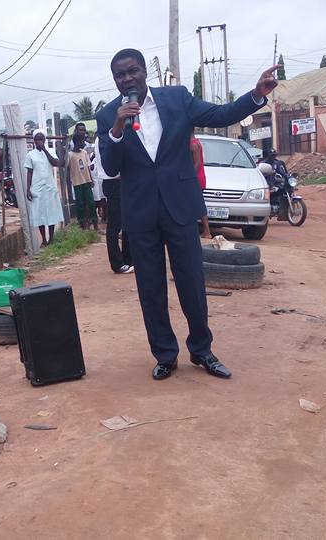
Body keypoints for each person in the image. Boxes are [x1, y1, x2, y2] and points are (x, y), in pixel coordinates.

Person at [96, 48, 280, 381]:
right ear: (115, 80)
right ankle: (165, 355)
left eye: (132, 71)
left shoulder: (177, 98)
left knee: (192, 283)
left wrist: (256, 95)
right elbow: (110, 167)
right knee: (150, 289)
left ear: (143, 73)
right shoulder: (109, 114)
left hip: (179, 207)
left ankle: (202, 350)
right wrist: (119, 124)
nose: (127, 79)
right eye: (119, 75)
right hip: (140, 215)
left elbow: (221, 114)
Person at [94, 133, 132, 274]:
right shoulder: (104, 139)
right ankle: (117, 263)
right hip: (113, 181)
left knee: (127, 222)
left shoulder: (108, 136)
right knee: (114, 225)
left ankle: (128, 259)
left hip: (120, 182)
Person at [25, 129, 64, 246]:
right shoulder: (30, 155)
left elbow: (56, 163)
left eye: (41, 139)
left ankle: (51, 238)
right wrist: (28, 189)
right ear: (34, 141)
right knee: (39, 213)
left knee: (51, 213)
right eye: (37, 139)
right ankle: (44, 239)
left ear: (45, 140)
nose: (39, 141)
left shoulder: (50, 151)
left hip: (49, 187)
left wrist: (45, 150)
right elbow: (29, 172)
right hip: (37, 188)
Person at [66, 132, 98, 230]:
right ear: (76, 142)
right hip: (77, 182)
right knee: (80, 204)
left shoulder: (84, 153)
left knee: (91, 203)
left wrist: (91, 179)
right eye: (82, 141)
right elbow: (67, 168)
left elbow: (88, 167)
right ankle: (83, 224)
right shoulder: (70, 155)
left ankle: (95, 223)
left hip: (87, 181)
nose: (84, 143)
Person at [190, 135, 212, 238]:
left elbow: (197, 163)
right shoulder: (196, 142)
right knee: (198, 204)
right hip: (199, 177)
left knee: (199, 205)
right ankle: (206, 231)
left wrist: (190, 177)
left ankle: (207, 231)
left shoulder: (193, 144)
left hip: (196, 178)